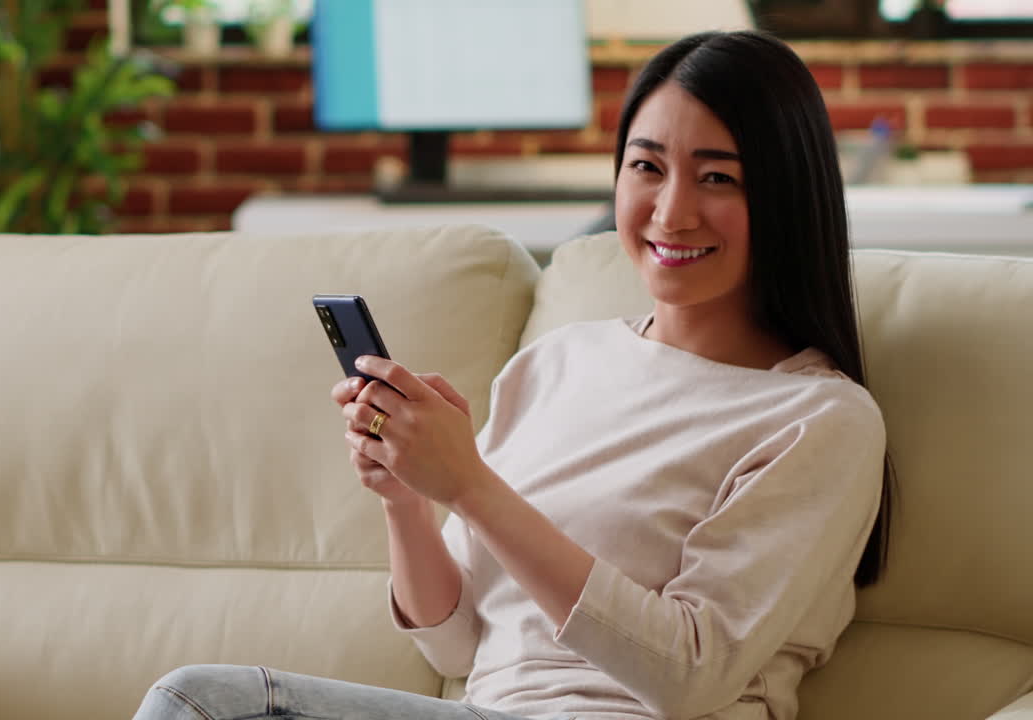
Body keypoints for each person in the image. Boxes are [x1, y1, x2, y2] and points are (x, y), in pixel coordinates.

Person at [133, 29, 893, 720]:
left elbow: (690, 675)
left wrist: (470, 486)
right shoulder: (556, 363)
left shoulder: (818, 420)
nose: (671, 211)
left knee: (201, 703)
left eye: (718, 178)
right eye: (646, 167)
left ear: (786, 194)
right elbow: (456, 648)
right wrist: (408, 499)